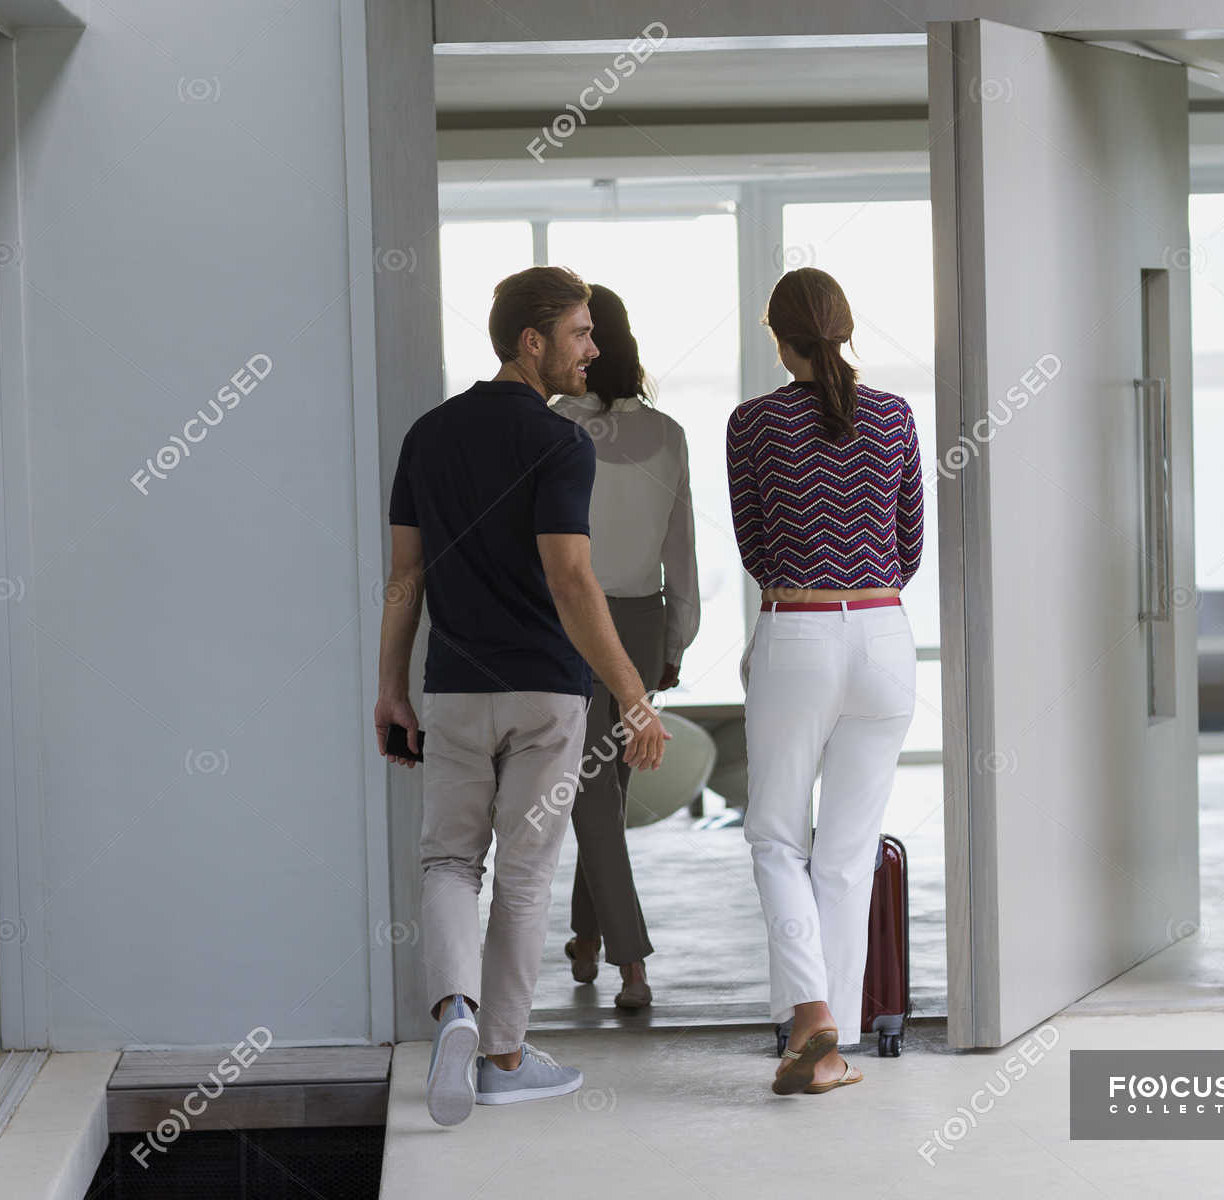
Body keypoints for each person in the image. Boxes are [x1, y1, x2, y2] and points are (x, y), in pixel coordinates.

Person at [376, 265, 670, 1128]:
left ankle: (454, 1016)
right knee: (526, 877)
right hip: (546, 694)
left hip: (455, 692)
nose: (595, 348)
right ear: (531, 341)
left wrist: (391, 691)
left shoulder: (428, 434)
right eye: (581, 333)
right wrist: (634, 696)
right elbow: (572, 578)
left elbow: (404, 579)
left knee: (447, 864)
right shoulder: (560, 443)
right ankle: (502, 1057)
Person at [725, 267, 922, 1096]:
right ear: (843, 328)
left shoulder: (753, 424)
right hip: (884, 634)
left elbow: (755, 549)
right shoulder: (895, 416)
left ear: (778, 335)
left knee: (775, 836)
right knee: (845, 857)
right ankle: (830, 1053)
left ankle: (811, 1015)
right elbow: (909, 548)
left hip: (797, 628)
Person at [549, 285, 700, 1010]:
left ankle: (631, 961)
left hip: (572, 622)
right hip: (642, 624)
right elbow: (684, 552)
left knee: (591, 796)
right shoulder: (669, 433)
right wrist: (678, 637)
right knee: (602, 794)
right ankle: (587, 939)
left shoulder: (553, 427)